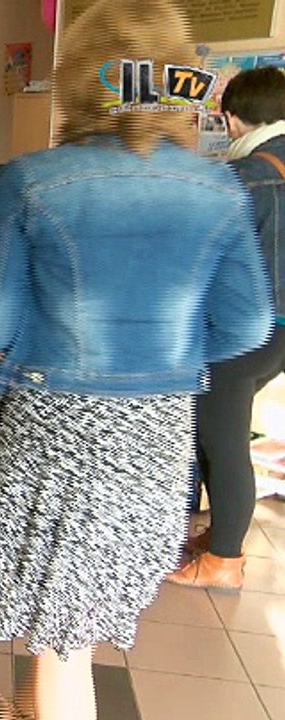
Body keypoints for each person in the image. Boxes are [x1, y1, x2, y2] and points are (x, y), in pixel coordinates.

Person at [0, 1, 272, 718]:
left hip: (55, 428)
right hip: (156, 436)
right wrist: (165, 358)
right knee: (78, 621)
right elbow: (248, 321)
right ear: (177, 81)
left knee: (62, 635)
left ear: (78, 79)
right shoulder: (217, 185)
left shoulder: (35, 180)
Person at [168, 66, 285, 592]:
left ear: (230, 118)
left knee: (221, 438)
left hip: (240, 329)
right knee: (218, 431)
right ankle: (216, 538)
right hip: (277, 331)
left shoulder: (241, 178)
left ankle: (225, 559)